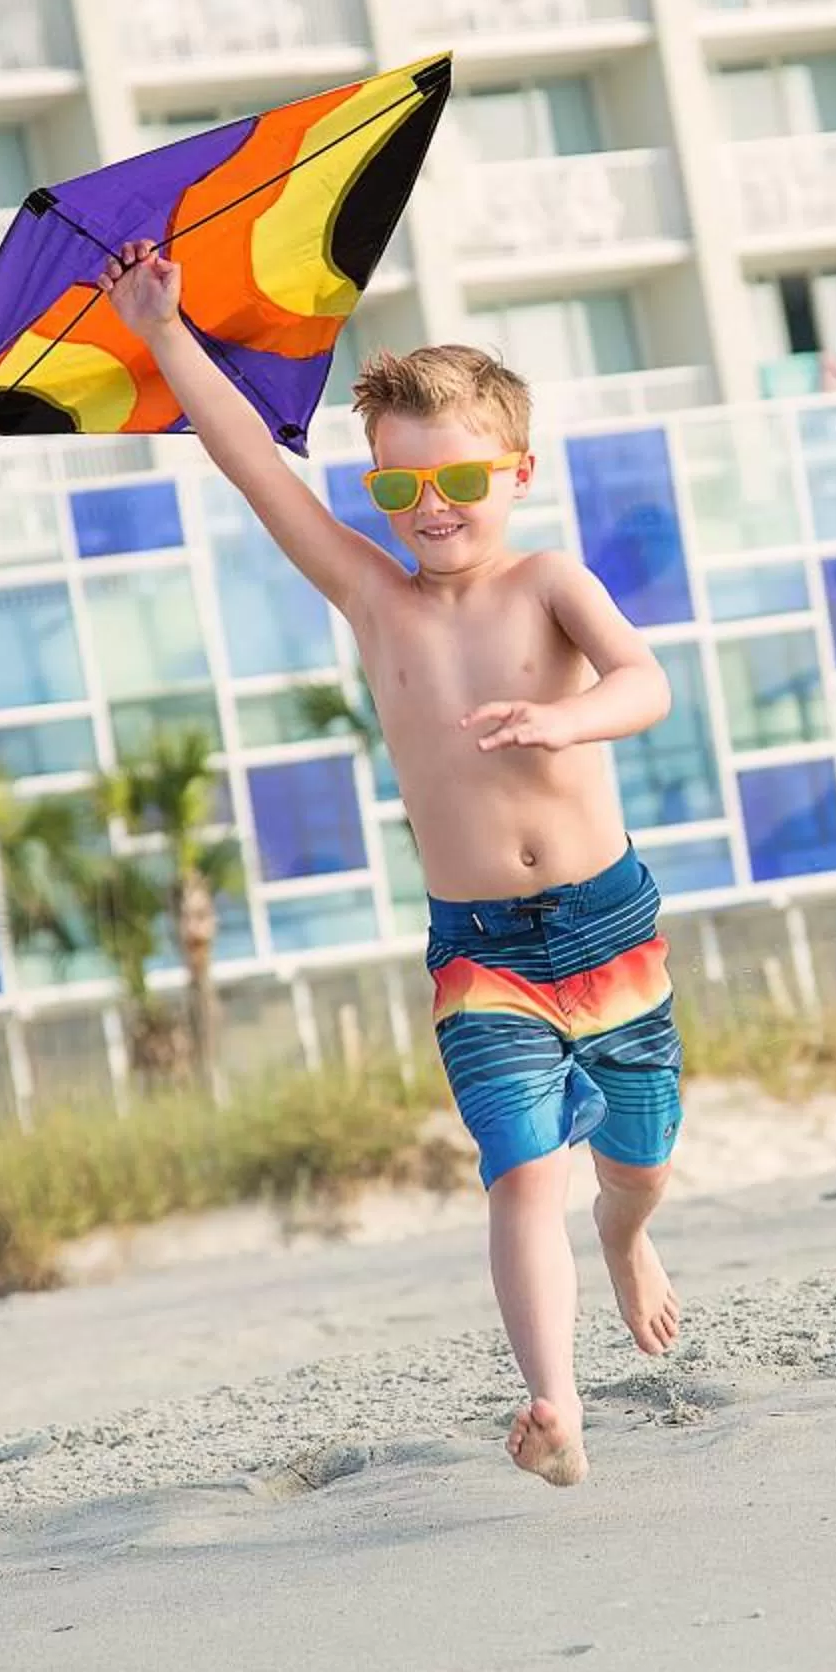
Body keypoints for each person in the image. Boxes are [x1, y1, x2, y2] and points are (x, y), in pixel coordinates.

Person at [103, 242, 679, 1491]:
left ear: (517, 472)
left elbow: (646, 681)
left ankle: (628, 1240)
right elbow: (260, 471)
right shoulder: (377, 602)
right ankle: (556, 1403)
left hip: (608, 923)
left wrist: (562, 720)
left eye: (463, 475)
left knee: (640, 1158)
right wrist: (161, 330)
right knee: (522, 1167)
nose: (432, 504)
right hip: (482, 949)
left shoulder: (549, 581)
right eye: (400, 485)